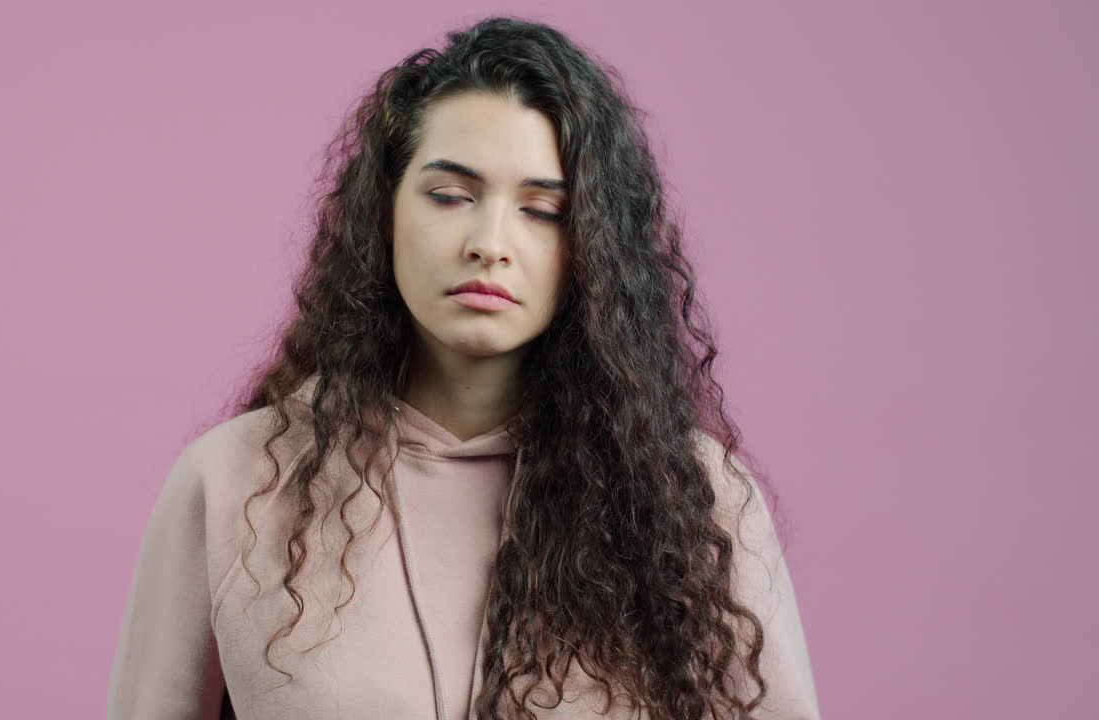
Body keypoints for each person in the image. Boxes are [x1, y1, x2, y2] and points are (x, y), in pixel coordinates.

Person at [106, 15, 820, 720]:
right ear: (383, 213)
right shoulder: (231, 484)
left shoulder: (697, 500)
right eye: (450, 196)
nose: (490, 242)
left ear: (595, 250)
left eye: (543, 211)